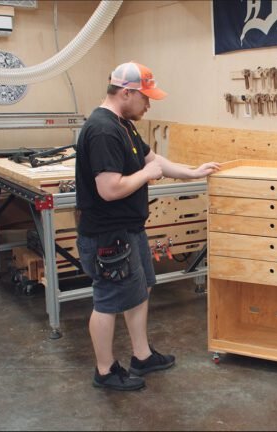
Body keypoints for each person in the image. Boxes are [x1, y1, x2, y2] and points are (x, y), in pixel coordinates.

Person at [75, 62, 220, 391]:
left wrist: (194, 172)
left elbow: (152, 161)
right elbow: (109, 189)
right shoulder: (102, 130)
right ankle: (105, 370)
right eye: (145, 98)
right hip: (107, 234)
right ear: (126, 92)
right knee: (108, 300)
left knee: (141, 290)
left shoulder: (123, 123)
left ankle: (141, 356)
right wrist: (146, 176)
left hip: (129, 229)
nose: (149, 105)